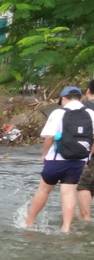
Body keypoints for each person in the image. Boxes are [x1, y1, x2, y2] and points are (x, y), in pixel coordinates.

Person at [28, 86, 92, 232]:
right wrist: (87, 155)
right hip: (79, 160)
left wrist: (44, 154)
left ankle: (29, 222)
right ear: (80, 98)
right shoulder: (89, 113)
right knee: (69, 192)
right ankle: (66, 228)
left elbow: (50, 136)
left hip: (56, 159)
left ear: (63, 98)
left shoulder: (58, 113)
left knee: (44, 190)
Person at [78, 78, 94, 223]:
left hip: (87, 152)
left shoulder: (83, 108)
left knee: (84, 185)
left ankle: (86, 219)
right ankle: (81, 215)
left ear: (88, 91)